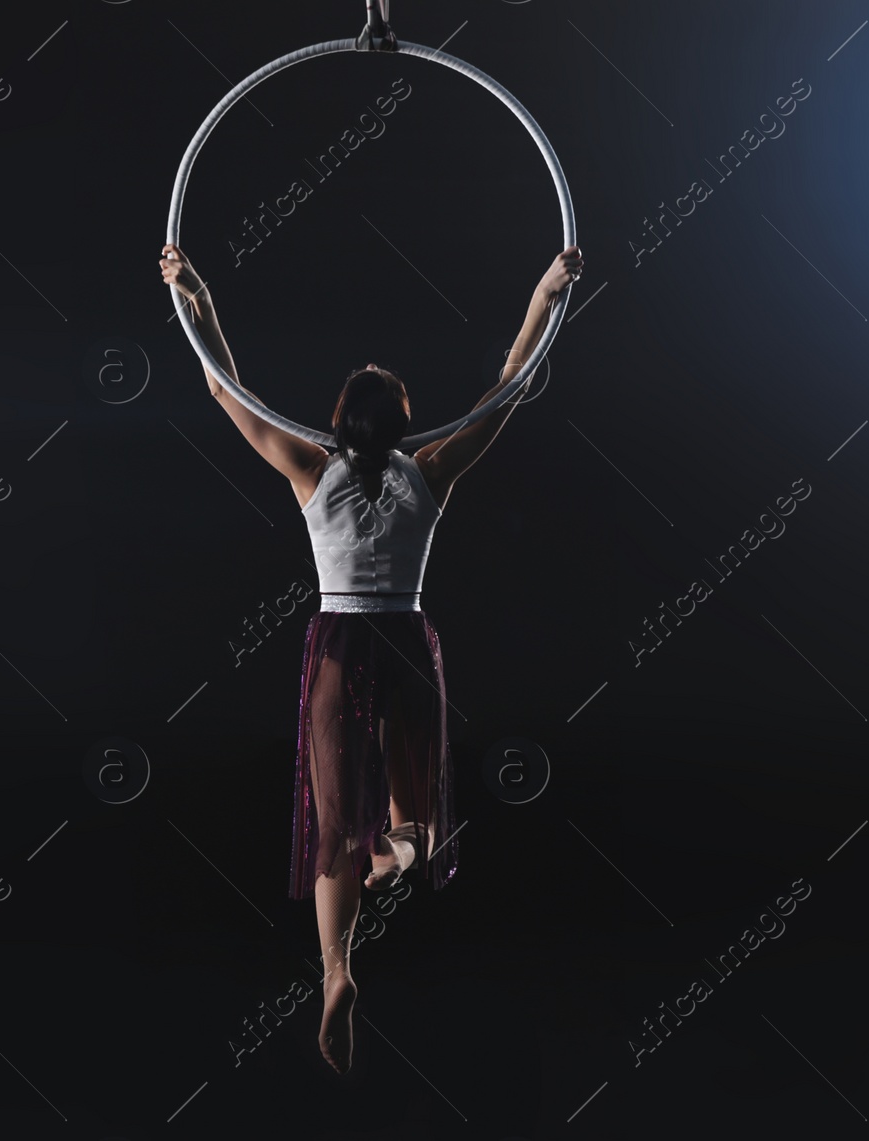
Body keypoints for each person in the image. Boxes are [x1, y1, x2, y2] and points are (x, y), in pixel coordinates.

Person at [158, 240, 582, 1074]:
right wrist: (545, 292)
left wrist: (195, 294)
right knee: (412, 820)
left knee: (331, 830)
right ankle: (398, 852)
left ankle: (337, 971)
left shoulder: (310, 471)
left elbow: (220, 383)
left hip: (339, 641)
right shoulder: (431, 471)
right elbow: (512, 384)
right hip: (407, 640)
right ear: (402, 421)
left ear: (339, 418)